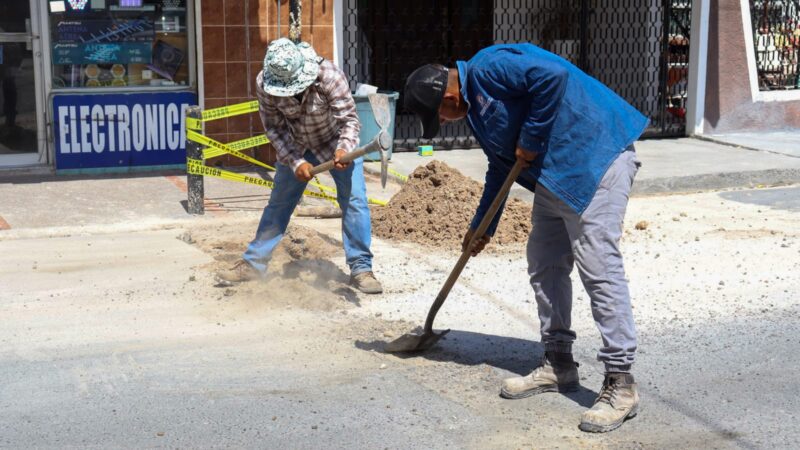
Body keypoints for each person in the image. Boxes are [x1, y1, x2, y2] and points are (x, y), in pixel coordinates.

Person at [403, 44, 647, 433]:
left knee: (599, 271)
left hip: (594, 160)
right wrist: (483, 224)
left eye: (441, 117)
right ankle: (558, 363)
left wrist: (531, 138)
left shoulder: (488, 66)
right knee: (544, 265)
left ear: (449, 97)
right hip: (555, 176)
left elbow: (554, 77)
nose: (445, 123)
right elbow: (501, 167)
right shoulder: (478, 112)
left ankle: (621, 383)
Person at [217, 38, 383, 295]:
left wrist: (344, 150)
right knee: (279, 204)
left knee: (355, 201)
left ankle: (361, 268)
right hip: (296, 144)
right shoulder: (266, 83)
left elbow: (349, 120)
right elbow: (274, 128)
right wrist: (296, 161)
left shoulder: (329, 76)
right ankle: (254, 264)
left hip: (336, 140)